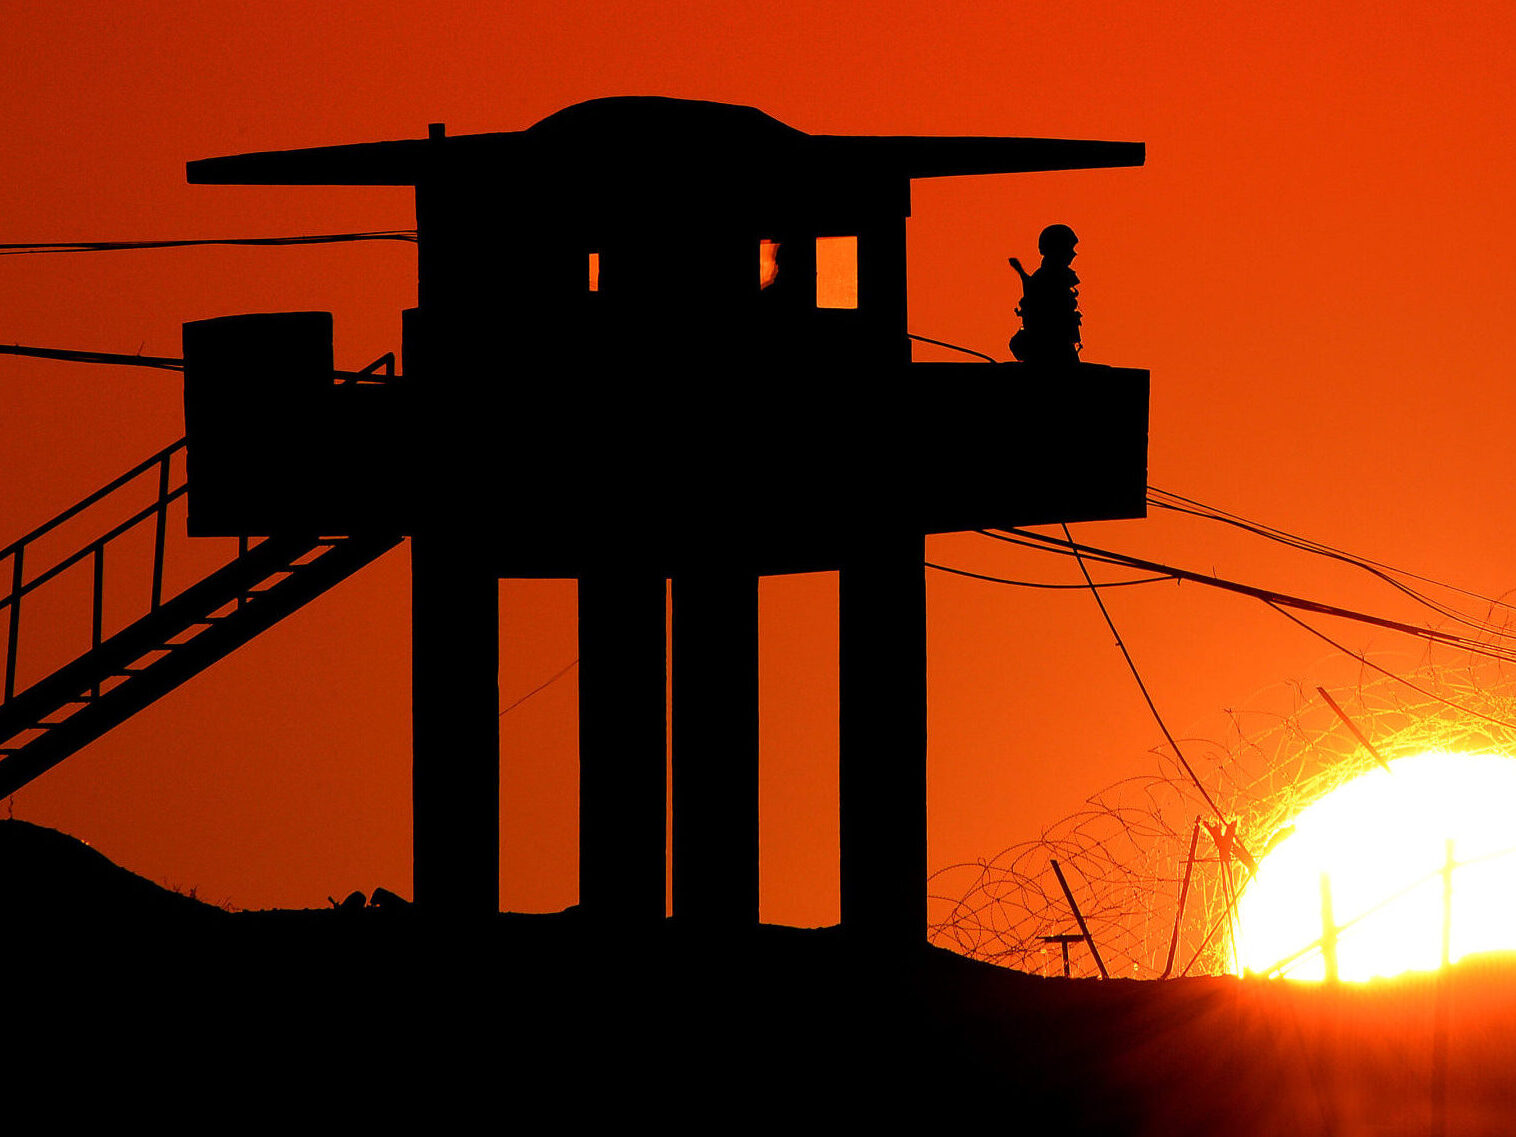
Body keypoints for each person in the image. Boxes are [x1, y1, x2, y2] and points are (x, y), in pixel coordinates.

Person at [1008, 223, 1082, 366]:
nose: (1073, 254)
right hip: (1052, 353)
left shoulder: (1053, 279)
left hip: (1061, 348)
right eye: (1069, 248)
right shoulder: (1047, 280)